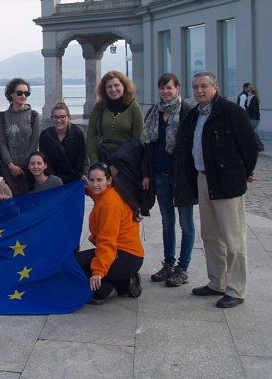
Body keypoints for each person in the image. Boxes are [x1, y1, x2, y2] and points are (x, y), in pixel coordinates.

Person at [174, 72, 257, 309]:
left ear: (215, 87)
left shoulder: (230, 112)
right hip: (203, 178)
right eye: (196, 87)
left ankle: (236, 289)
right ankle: (217, 282)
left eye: (204, 86)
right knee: (210, 234)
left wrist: (243, 172)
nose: (199, 90)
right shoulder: (193, 115)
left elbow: (249, 147)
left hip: (227, 180)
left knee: (233, 238)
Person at [140, 73, 195, 287]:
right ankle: (169, 265)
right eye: (162, 88)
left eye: (169, 88)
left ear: (177, 88)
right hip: (160, 176)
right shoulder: (154, 112)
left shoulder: (187, 112)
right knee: (167, 223)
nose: (165, 91)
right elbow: (147, 147)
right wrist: (146, 174)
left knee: (186, 224)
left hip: (181, 177)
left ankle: (183, 268)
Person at [75, 162, 144, 305]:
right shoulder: (107, 192)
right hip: (127, 255)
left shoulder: (110, 204)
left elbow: (107, 241)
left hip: (125, 256)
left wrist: (98, 271)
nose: (95, 184)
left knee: (75, 265)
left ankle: (104, 290)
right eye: (92, 180)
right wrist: (84, 186)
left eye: (99, 180)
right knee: (80, 261)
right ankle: (126, 284)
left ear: (109, 180)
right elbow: (95, 193)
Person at [87, 70, 144, 163]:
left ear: (124, 86)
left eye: (116, 85)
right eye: (109, 86)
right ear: (104, 89)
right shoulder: (98, 107)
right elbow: (91, 138)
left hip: (126, 163)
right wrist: (95, 164)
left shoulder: (134, 107)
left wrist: (118, 165)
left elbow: (138, 140)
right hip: (103, 161)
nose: (113, 89)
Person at [0, 78, 40, 196]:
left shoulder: (34, 116)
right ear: (11, 94)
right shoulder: (2, 117)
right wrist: (10, 165)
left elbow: (34, 143)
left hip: (27, 169)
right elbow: (1, 143)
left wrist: (22, 165)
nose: (23, 96)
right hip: (7, 169)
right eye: (20, 93)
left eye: (27, 93)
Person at [38, 102, 88, 184]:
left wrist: (75, 179)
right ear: (51, 118)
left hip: (75, 177)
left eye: (62, 117)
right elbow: (45, 161)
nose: (58, 120)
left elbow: (82, 158)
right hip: (54, 179)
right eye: (55, 117)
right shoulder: (45, 135)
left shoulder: (78, 133)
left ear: (69, 118)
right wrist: (55, 180)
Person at [246, 85, 264, 151]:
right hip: (253, 118)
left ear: (251, 91)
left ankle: (260, 147)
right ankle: (258, 147)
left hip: (253, 119)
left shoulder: (253, 99)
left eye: (248, 90)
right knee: (253, 133)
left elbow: (252, 109)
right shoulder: (251, 98)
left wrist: (247, 115)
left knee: (252, 133)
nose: (247, 92)